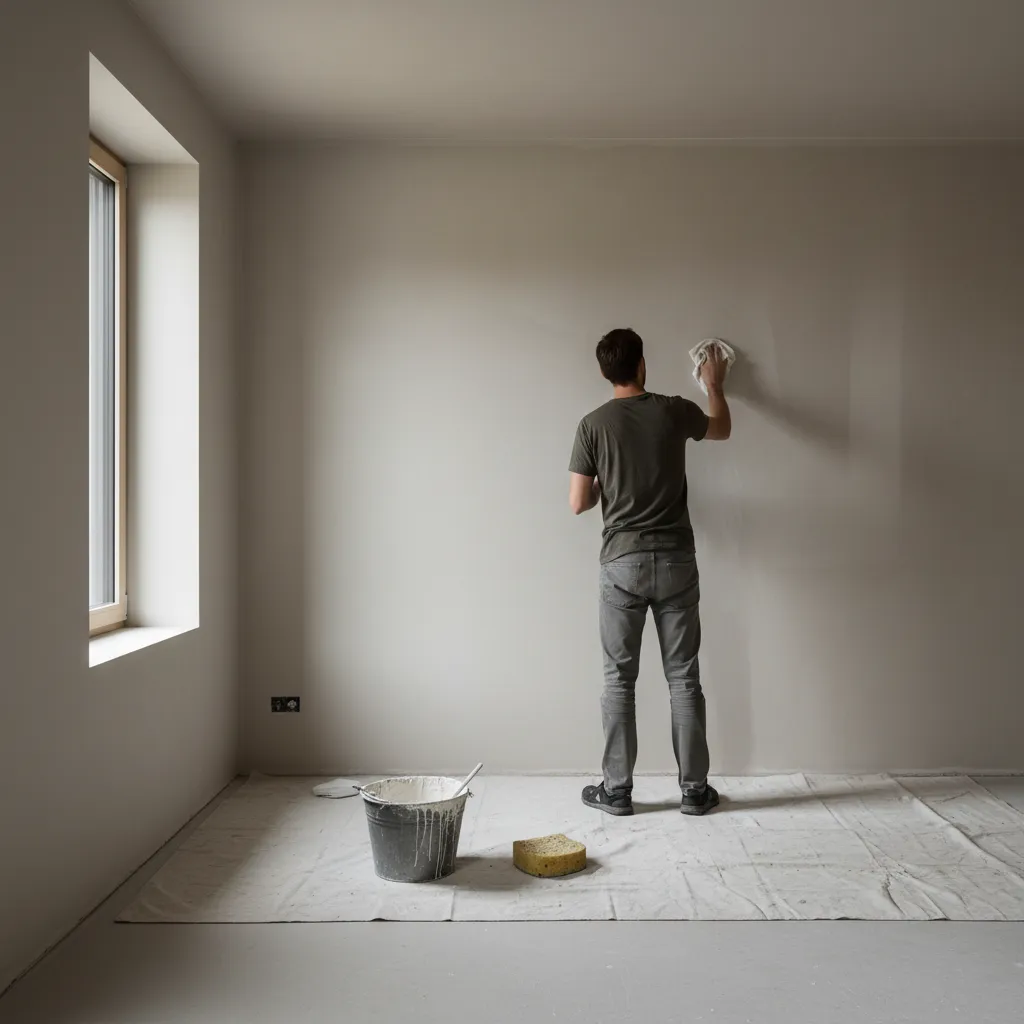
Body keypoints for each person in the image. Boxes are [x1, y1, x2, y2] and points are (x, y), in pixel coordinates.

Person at [568, 328, 731, 816]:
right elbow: (721, 427)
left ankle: (617, 792)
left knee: (619, 679)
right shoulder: (673, 408)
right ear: (642, 365)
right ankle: (695, 792)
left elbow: (578, 502)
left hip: (621, 564)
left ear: (605, 372)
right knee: (683, 676)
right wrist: (714, 383)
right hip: (677, 560)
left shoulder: (591, 425)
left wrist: (603, 485)